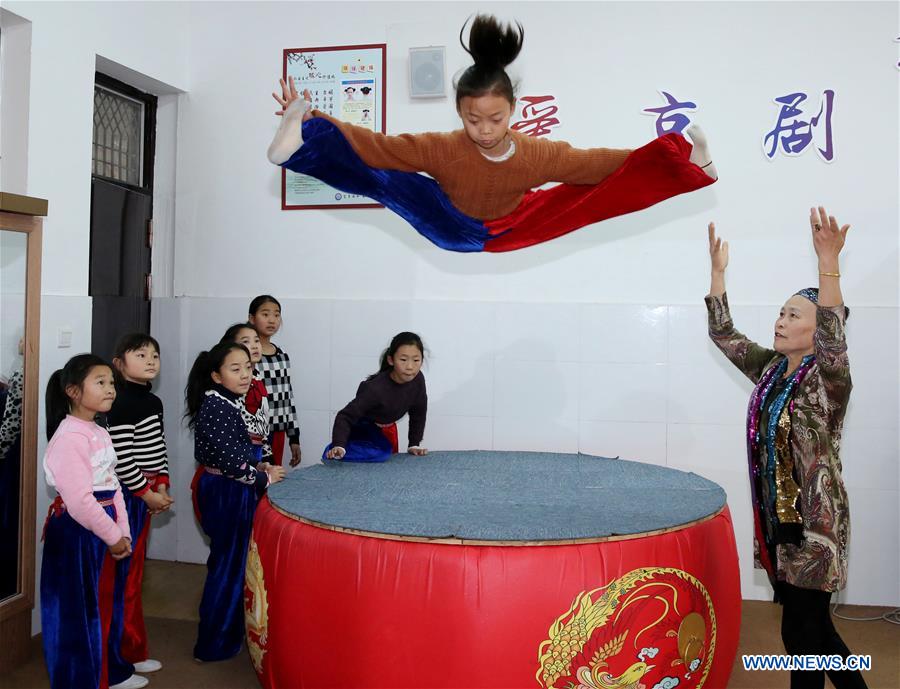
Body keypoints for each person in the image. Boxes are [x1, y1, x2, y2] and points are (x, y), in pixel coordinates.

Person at [268, 14, 716, 253]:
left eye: (495, 119)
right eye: (472, 119)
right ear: (459, 112)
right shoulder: (441, 148)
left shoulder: (537, 154)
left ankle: (690, 167)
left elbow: (596, 162)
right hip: (446, 221)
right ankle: (299, 144)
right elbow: (377, 147)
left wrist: (662, 156)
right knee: (382, 177)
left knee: (590, 196)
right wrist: (313, 118)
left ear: (512, 111)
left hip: (513, 226)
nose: (484, 130)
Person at [706, 207, 867, 689]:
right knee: (811, 634)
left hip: (815, 529)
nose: (779, 321)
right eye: (780, 312)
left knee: (804, 635)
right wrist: (718, 274)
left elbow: (834, 336)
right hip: (780, 523)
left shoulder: (827, 381)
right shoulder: (773, 370)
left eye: (793, 315)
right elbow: (724, 335)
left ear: (817, 332)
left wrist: (828, 264)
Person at [40, 354, 148, 689]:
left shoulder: (99, 430)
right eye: (100, 382)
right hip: (79, 532)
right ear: (73, 391)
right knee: (81, 609)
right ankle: (83, 678)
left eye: (111, 382)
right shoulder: (69, 437)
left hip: (104, 527)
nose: (110, 389)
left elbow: (114, 486)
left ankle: (109, 670)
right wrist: (112, 535)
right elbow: (80, 501)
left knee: (105, 602)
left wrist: (124, 532)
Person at [185, 342, 285, 662]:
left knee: (234, 564)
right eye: (235, 369)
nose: (245, 375)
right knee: (227, 567)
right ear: (216, 376)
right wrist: (263, 479)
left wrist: (259, 465)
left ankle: (228, 635)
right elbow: (230, 464)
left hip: (233, 487)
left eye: (248, 368)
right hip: (225, 490)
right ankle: (214, 643)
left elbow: (237, 453)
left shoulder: (228, 401)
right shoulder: (217, 406)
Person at [105, 333, 172, 682]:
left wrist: (162, 484)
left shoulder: (153, 401)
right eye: (141, 354)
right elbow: (122, 459)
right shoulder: (118, 402)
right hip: (128, 497)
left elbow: (158, 447)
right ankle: (117, 661)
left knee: (134, 578)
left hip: (146, 492)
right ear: (119, 363)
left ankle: (132, 650)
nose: (150, 361)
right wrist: (146, 494)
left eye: (155, 355)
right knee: (123, 580)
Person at [325, 332, 428, 462]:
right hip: (362, 429)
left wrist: (414, 444)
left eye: (416, 360)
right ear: (391, 360)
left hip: (387, 430)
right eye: (403, 360)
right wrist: (339, 444)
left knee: (389, 462)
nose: (410, 367)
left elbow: (419, 412)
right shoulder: (375, 389)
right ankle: (337, 451)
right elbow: (344, 416)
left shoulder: (418, 379)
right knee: (381, 454)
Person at [248, 295, 301, 467]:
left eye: (277, 315)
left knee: (273, 476)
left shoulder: (282, 355)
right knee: (254, 475)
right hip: (253, 432)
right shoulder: (247, 357)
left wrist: (294, 437)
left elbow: (287, 397)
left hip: (277, 431)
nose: (272, 320)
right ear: (252, 318)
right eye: (265, 314)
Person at [220, 323, 272, 462]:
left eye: (256, 340)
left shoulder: (257, 377)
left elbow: (262, 419)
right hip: (238, 451)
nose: (254, 346)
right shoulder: (234, 382)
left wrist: (267, 454)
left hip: (257, 449)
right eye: (246, 341)